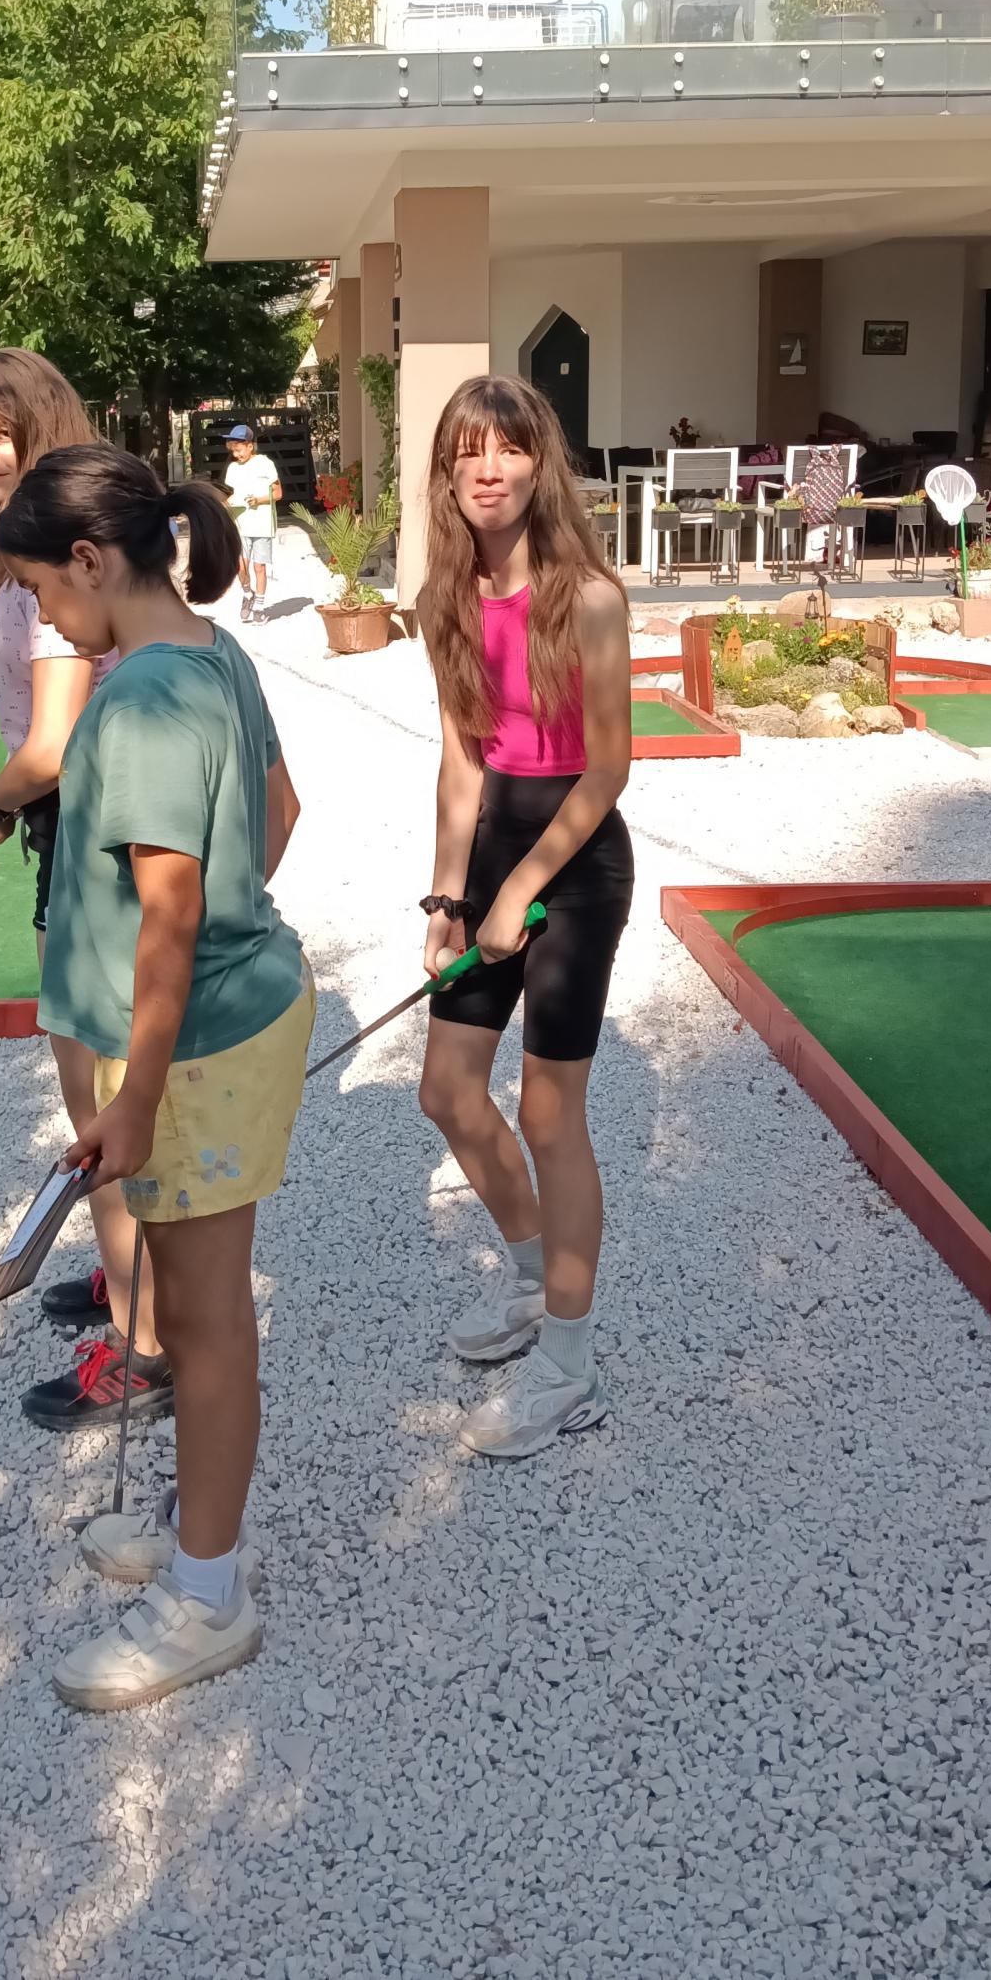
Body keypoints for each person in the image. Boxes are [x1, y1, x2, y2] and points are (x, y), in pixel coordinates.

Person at [0, 442, 309, 1709]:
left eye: (43, 591)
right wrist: (231, 920)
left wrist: (135, 1093)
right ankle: (199, 1524)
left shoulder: (139, 703)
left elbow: (171, 917)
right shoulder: (214, 653)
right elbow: (278, 817)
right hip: (221, 1029)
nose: (48, 619)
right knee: (196, 1303)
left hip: (193, 1053)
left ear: (89, 560)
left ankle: (207, 1594)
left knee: (208, 1322)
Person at [0, 349, 168, 1437]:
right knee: (95, 1089)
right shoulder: (36, 561)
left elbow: (55, 746)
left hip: (87, 830)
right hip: (74, 832)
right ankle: (129, 1283)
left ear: (43, 428)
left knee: (98, 1104)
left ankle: (146, 1347)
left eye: (3, 431)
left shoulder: (50, 582)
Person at [413, 373, 633, 1460]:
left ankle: (571, 1365)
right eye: (469, 452)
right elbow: (462, 765)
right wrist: (452, 900)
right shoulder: (443, 600)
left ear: (540, 464)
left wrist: (520, 890)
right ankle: (533, 1279)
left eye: (507, 449)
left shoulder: (588, 596)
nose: (488, 470)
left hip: (577, 865)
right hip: (495, 855)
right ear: (446, 473)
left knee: (550, 1117)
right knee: (448, 1092)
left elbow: (609, 770)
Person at [223, 422, 280, 623]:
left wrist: (259, 500)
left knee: (259, 567)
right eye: (233, 451)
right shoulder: (232, 468)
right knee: (240, 567)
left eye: (239, 450)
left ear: (250, 446)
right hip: (240, 524)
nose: (236, 454)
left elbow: (278, 493)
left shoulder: (265, 464)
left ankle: (260, 607)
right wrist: (223, 505)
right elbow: (233, 495)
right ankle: (248, 594)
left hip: (262, 524)